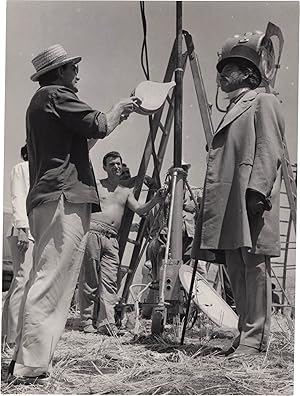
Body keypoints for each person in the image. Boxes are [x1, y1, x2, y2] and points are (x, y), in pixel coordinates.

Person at [8, 44, 139, 383]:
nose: (77, 74)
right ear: (60, 72)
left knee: (43, 276)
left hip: (50, 198)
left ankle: (23, 358)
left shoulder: (42, 102)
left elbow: (86, 135)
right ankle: (30, 366)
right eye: (72, 68)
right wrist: (121, 107)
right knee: (52, 280)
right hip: (63, 198)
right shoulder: (56, 95)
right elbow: (99, 124)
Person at [191, 39, 284, 358]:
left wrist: (258, 190)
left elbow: (270, 148)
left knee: (254, 267)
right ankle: (244, 333)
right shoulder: (234, 106)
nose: (220, 76)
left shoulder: (263, 101)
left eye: (226, 69)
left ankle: (256, 340)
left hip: (248, 198)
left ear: (247, 74)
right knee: (235, 266)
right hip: (229, 201)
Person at [78, 151, 166, 335]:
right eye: (112, 164)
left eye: (119, 163)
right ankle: (86, 322)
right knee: (90, 281)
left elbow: (141, 210)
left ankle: (106, 323)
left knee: (110, 282)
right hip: (93, 233)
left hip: (112, 239)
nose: (117, 167)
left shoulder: (126, 192)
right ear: (105, 167)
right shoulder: (98, 186)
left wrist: (157, 199)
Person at [2, 145, 33, 352]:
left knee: (20, 282)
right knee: (22, 280)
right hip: (22, 230)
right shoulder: (22, 168)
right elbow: (18, 198)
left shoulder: (39, 172)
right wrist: (23, 228)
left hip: (32, 231)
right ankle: (12, 339)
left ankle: (7, 334)